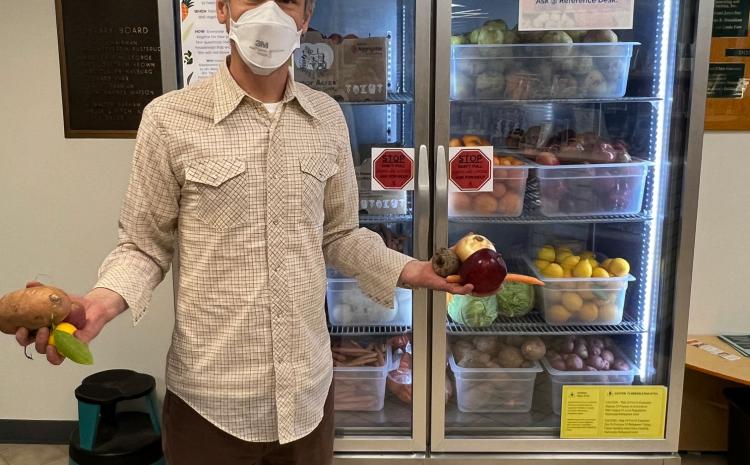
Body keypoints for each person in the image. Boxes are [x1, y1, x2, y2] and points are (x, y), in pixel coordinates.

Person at [15, 1, 472, 464]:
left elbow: (340, 235)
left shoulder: (327, 117)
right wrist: (100, 302)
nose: (269, 10)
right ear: (222, 8)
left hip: (308, 398)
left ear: (306, 16)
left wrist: (411, 270)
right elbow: (143, 247)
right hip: (212, 402)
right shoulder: (169, 118)